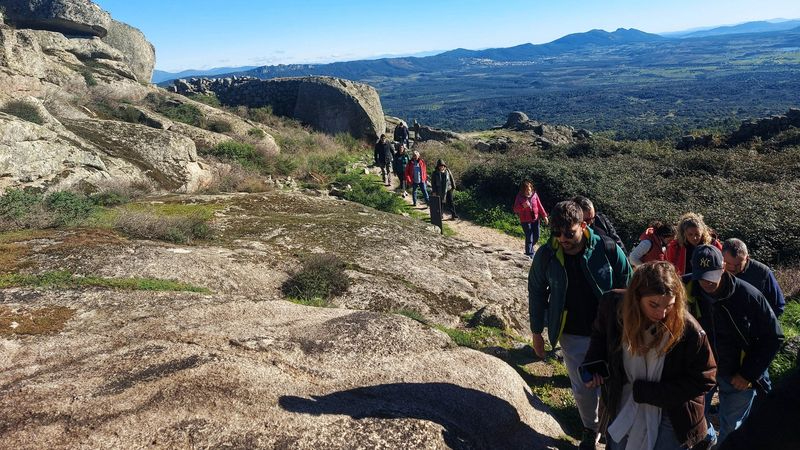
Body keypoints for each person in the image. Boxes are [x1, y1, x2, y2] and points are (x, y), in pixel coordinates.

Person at [529, 200, 633, 450]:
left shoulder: (606, 247)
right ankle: (590, 429)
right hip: (573, 331)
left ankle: (613, 429)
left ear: (583, 225)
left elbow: (629, 283)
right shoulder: (547, 254)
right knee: (584, 387)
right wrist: (537, 332)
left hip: (612, 331)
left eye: (569, 233)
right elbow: (536, 291)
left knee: (615, 382)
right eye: (556, 233)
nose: (563, 239)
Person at [583, 261, 717, 450]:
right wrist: (593, 364)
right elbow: (600, 336)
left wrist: (650, 393)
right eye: (653, 304)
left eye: (669, 305)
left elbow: (706, 378)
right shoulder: (613, 306)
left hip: (673, 412)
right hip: (625, 398)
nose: (661, 313)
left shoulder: (689, 331)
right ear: (636, 297)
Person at [683, 245, 783, 447]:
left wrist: (748, 373)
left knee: (732, 428)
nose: (707, 282)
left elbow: (773, 336)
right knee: (691, 421)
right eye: (701, 276)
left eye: (712, 275)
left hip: (738, 374)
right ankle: (709, 437)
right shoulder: (684, 289)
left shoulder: (748, 295)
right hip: (701, 370)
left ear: (723, 267)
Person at [721, 238, 785, 317]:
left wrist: (765, 324)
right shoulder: (715, 270)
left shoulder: (762, 273)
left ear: (747, 258)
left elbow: (778, 305)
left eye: (738, 265)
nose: (733, 268)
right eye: (728, 263)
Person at [513, 180, 549, 258]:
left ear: (531, 189)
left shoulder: (535, 195)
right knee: (529, 236)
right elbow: (515, 209)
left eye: (529, 190)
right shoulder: (519, 196)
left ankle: (529, 249)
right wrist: (522, 206)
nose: (528, 192)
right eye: (526, 190)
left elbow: (540, 205)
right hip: (525, 220)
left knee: (537, 236)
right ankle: (529, 254)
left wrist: (544, 216)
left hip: (535, 219)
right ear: (523, 190)